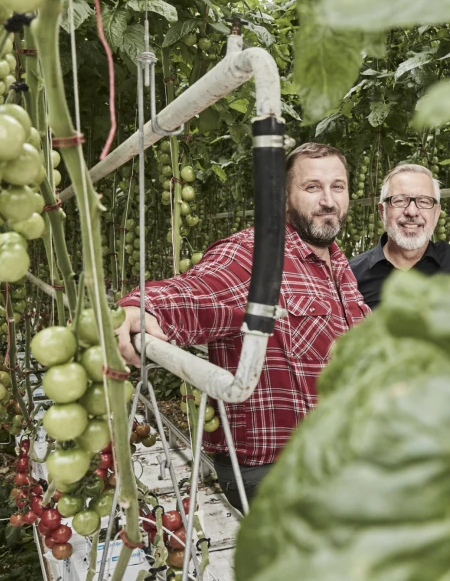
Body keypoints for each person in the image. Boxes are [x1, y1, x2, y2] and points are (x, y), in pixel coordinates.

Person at [114, 142, 369, 510]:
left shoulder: (339, 267)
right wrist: (141, 308)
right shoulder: (256, 252)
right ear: (283, 197)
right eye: (312, 187)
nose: (328, 200)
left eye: (338, 187)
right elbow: (197, 291)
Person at [350, 163, 450, 309]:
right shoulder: (351, 276)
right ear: (382, 211)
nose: (411, 211)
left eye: (424, 201)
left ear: (436, 213)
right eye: (399, 200)